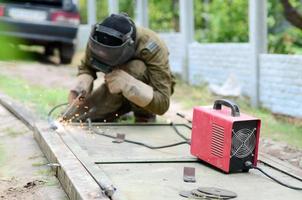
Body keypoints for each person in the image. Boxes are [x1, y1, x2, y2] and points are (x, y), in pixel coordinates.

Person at [66, 13, 175, 123]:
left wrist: (127, 84)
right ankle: (119, 109)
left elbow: (163, 103)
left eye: (107, 53)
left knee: (137, 67)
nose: (102, 54)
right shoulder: (97, 40)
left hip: (140, 89)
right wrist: (80, 90)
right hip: (113, 89)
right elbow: (87, 68)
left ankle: (144, 115)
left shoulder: (152, 45)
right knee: (73, 117)